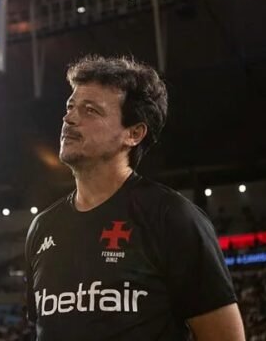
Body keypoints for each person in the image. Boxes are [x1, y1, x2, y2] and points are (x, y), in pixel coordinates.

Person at [25, 55, 245, 340]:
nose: (69, 118)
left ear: (134, 133)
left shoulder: (171, 217)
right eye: (70, 107)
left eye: (90, 110)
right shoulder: (42, 227)